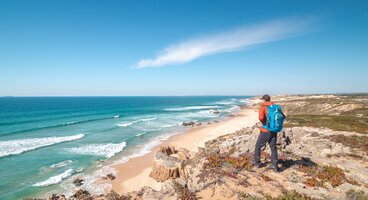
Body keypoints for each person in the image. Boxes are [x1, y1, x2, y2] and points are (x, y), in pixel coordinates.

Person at [253, 94, 285, 172]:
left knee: (258, 146)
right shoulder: (276, 107)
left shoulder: (263, 107)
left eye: (262, 99)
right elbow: (283, 117)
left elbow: (261, 118)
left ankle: (257, 163)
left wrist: (265, 123)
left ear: (264, 100)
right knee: (273, 147)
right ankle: (275, 166)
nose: (262, 101)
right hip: (274, 129)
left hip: (266, 130)